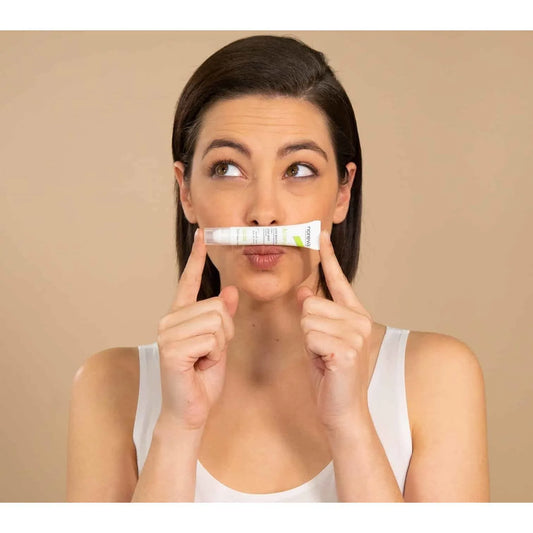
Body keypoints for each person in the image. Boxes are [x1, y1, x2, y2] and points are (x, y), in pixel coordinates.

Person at [66, 35, 489, 502]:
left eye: (299, 169)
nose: (264, 213)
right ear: (186, 192)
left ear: (343, 193)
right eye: (227, 169)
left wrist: (350, 424)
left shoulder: (437, 378)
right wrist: (177, 428)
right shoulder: (109, 388)